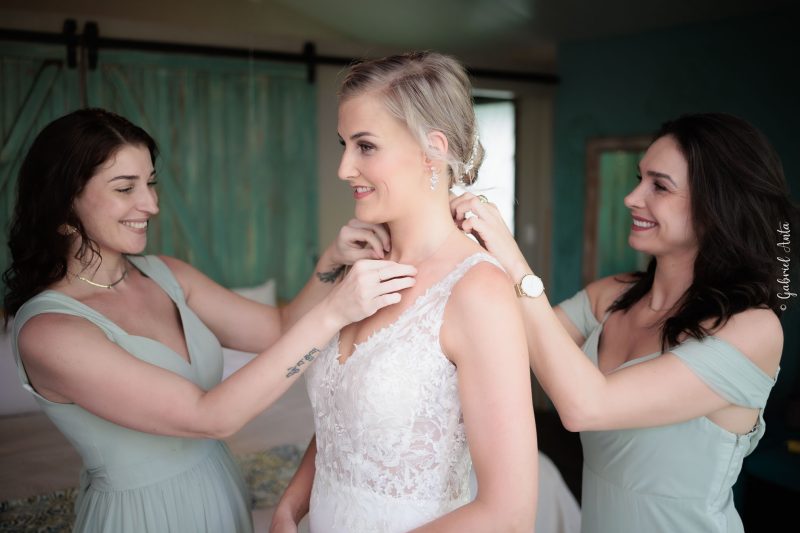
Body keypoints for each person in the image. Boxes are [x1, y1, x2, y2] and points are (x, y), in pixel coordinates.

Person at [3, 108, 417, 533]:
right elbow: (211, 418)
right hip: (143, 516)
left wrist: (332, 260)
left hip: (219, 490)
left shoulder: (166, 274)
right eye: (125, 188)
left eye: (150, 183)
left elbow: (277, 328)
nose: (151, 205)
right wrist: (334, 312)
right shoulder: (48, 332)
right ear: (63, 205)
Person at [451, 112, 799, 533]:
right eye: (639, 179)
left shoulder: (753, 330)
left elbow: (586, 406)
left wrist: (513, 258)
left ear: (717, 206)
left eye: (659, 186)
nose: (632, 198)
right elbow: (495, 342)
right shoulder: (612, 295)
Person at [271, 52, 538, 533]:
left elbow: (510, 513)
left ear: (432, 150)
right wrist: (291, 506)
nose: (344, 168)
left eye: (365, 146)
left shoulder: (477, 291)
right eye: (344, 145)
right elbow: (343, 422)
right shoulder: (363, 268)